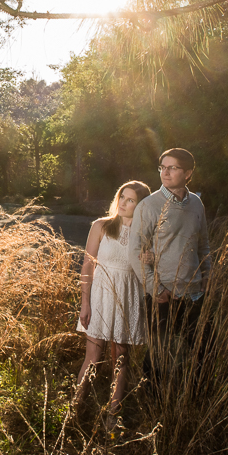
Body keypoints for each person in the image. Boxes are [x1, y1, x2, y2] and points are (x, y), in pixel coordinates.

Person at [74, 180, 152, 427]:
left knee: (121, 357)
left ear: (140, 206)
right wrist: (84, 303)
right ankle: (75, 408)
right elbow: (88, 265)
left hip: (129, 297)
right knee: (93, 356)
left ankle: (112, 415)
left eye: (131, 200)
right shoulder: (102, 226)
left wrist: (151, 260)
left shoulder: (146, 234)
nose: (124, 203)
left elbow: (149, 271)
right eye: (122, 197)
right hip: (100, 296)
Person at [131, 148, 211, 380]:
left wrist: (207, 273)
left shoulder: (196, 203)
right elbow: (135, 250)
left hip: (194, 293)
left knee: (204, 349)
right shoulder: (148, 206)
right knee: (159, 354)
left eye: (172, 168)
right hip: (162, 294)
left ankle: (196, 400)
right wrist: (154, 288)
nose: (165, 172)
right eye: (162, 167)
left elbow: (203, 243)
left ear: (187, 173)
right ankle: (154, 403)